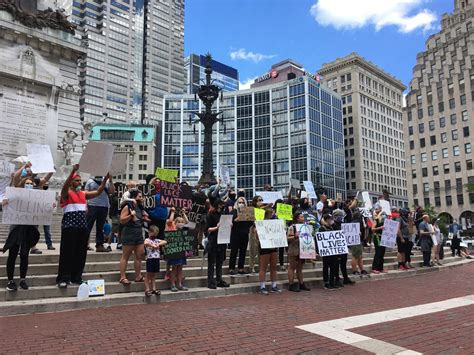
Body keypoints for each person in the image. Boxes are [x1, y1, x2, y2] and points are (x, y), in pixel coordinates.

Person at [56, 165, 110, 288]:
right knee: (67, 253)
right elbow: (64, 186)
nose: (79, 182)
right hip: (69, 227)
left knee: (80, 254)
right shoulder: (66, 194)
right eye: (77, 180)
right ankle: (63, 278)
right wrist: (72, 172)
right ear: (71, 182)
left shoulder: (83, 194)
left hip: (82, 227)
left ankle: (76, 277)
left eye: (80, 180)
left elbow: (98, 192)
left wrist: (105, 179)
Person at [2, 177, 41, 291]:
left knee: (24, 255)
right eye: (27, 183)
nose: (29, 185)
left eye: (31, 184)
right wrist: (4, 203)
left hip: (28, 230)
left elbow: (41, 209)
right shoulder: (16, 197)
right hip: (16, 230)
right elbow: (6, 202)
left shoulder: (35, 199)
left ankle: (22, 280)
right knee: (12, 255)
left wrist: (49, 208)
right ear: (23, 185)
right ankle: (10, 280)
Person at [119, 189, 150, 285]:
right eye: (139, 196)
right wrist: (130, 216)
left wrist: (146, 218)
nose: (141, 198)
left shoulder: (140, 208)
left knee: (139, 255)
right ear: (133, 198)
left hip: (138, 233)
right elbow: (122, 220)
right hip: (129, 233)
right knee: (126, 256)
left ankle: (138, 275)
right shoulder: (127, 207)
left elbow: (141, 219)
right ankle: (123, 277)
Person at [85, 175, 115, 252]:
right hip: (92, 205)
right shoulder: (90, 181)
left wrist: (111, 180)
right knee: (88, 226)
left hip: (104, 206)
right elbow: (85, 194)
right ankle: (83, 244)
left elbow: (112, 191)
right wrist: (85, 206)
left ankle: (99, 245)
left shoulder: (107, 181)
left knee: (100, 227)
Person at [206, 199, 230, 289]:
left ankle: (219, 279)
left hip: (222, 240)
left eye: (222, 206)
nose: (221, 207)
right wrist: (217, 227)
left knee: (220, 261)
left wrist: (229, 225)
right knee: (211, 262)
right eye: (219, 205)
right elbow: (208, 229)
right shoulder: (211, 215)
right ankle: (211, 281)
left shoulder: (223, 215)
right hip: (213, 240)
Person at [257, 209, 281, 295]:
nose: (273, 214)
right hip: (265, 246)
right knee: (263, 267)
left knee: (273, 267)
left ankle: (274, 285)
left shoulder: (275, 222)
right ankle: (262, 286)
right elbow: (257, 234)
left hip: (273, 245)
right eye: (272, 213)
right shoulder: (261, 223)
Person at [166, 207, 189, 292]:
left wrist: (183, 213)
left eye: (181, 222)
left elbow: (187, 223)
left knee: (180, 268)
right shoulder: (172, 228)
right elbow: (170, 222)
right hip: (174, 251)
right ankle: (172, 284)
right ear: (175, 223)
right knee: (174, 268)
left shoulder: (184, 230)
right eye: (178, 222)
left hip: (182, 251)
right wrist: (172, 212)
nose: (180, 223)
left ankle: (179, 284)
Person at [228, 197, 252, 275]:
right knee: (234, 251)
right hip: (235, 234)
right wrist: (235, 220)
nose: (241, 204)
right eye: (240, 202)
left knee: (243, 252)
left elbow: (250, 223)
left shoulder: (247, 212)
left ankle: (240, 268)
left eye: (243, 202)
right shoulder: (234, 211)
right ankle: (231, 268)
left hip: (244, 234)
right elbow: (229, 221)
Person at [287, 212, 310, 292]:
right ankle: (291, 284)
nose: (303, 218)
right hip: (294, 249)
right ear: (297, 218)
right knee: (292, 267)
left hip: (302, 249)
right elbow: (288, 238)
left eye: (303, 217)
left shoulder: (305, 227)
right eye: (301, 217)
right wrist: (295, 236)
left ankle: (301, 283)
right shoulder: (292, 227)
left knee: (300, 268)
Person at [333, 208, 355, 286]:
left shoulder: (343, 224)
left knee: (343, 263)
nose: (340, 217)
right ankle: (337, 278)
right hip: (337, 247)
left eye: (341, 215)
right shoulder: (333, 225)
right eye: (339, 215)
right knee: (336, 264)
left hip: (343, 246)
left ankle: (345, 278)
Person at [144, 225, 167, 296]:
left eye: (156, 234)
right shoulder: (147, 240)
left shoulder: (157, 240)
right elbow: (145, 243)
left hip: (156, 259)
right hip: (150, 259)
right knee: (148, 274)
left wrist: (158, 244)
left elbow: (165, 241)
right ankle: (147, 289)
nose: (154, 236)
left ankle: (154, 288)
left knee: (154, 275)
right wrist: (152, 245)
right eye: (153, 234)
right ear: (149, 232)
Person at [319, 213, 340, 290]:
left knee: (333, 266)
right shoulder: (322, 228)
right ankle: (326, 282)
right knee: (326, 266)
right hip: (326, 251)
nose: (332, 220)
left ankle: (332, 281)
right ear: (327, 219)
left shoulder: (332, 227)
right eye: (330, 219)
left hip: (333, 251)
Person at [248, 195, 264, 273]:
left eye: (261, 200)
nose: (261, 201)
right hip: (254, 229)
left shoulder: (264, 209)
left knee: (261, 250)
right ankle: (252, 266)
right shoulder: (252, 210)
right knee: (253, 249)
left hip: (262, 230)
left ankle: (261, 266)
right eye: (259, 200)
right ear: (255, 202)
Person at [371, 208, 387, 274]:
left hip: (384, 238)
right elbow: (372, 229)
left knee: (382, 253)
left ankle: (380, 267)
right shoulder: (376, 220)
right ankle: (374, 268)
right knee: (378, 252)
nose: (384, 216)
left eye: (385, 214)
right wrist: (380, 228)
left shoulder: (386, 221)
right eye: (382, 214)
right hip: (377, 237)